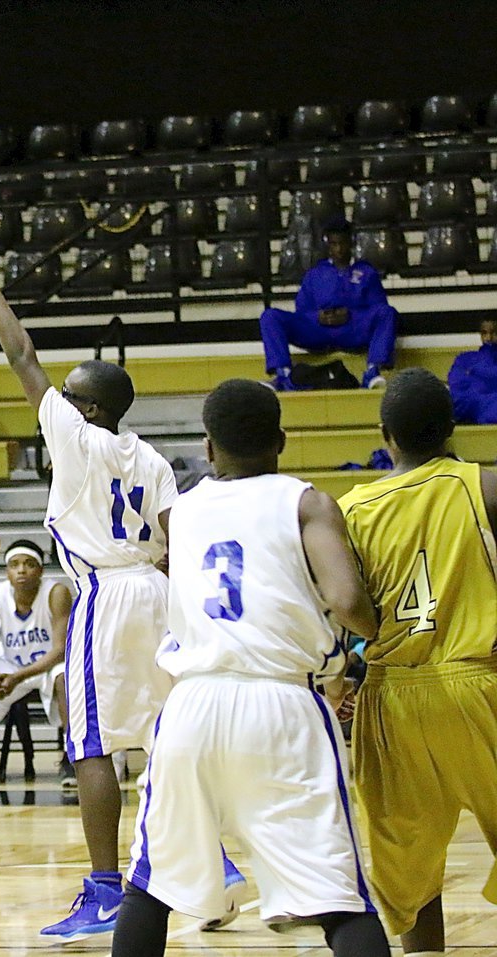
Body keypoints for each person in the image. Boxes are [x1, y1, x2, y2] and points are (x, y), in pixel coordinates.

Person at [110, 379, 390, 957]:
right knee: (338, 896)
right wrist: (373, 628)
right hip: (282, 704)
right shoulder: (305, 501)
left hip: (192, 705)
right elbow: (348, 602)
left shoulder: (181, 513)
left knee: (150, 884)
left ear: (208, 449)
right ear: (281, 441)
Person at [0, 216, 178, 938]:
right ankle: (207, 857)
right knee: (166, 733)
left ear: (86, 406)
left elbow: (21, 350)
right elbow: (176, 544)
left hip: (106, 595)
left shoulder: (72, 432)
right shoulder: (152, 457)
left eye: (67, 392)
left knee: (92, 743)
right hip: (159, 591)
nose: (52, 397)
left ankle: (105, 889)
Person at [338, 368, 497, 955]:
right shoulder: (484, 487)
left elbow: (343, 605)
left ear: (386, 436)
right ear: (453, 428)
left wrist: (343, 671)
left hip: (394, 693)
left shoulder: (350, 509)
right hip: (479, 683)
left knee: (410, 867)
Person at [0, 539, 72, 787]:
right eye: (14, 564)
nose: (21, 570)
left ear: (40, 570)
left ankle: (71, 757)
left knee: (67, 676)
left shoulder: (56, 593)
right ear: (7, 571)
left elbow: (61, 650)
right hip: (10, 667)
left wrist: (18, 677)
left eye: (29, 564)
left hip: (47, 667)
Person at [259, 217, 398, 391]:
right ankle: (283, 375)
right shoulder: (315, 273)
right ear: (328, 245)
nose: (339, 249)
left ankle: (372, 371)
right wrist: (317, 317)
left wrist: (351, 315)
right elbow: (301, 311)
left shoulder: (366, 272)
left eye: (343, 243)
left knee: (387, 313)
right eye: (334, 244)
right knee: (270, 316)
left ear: (351, 243)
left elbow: (378, 306)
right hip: (319, 331)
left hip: (351, 329)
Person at [447, 317, 497, 424]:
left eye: (493, 332)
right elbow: (455, 386)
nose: (488, 338)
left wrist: (475, 373)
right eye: (484, 333)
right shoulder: (464, 358)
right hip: (466, 413)